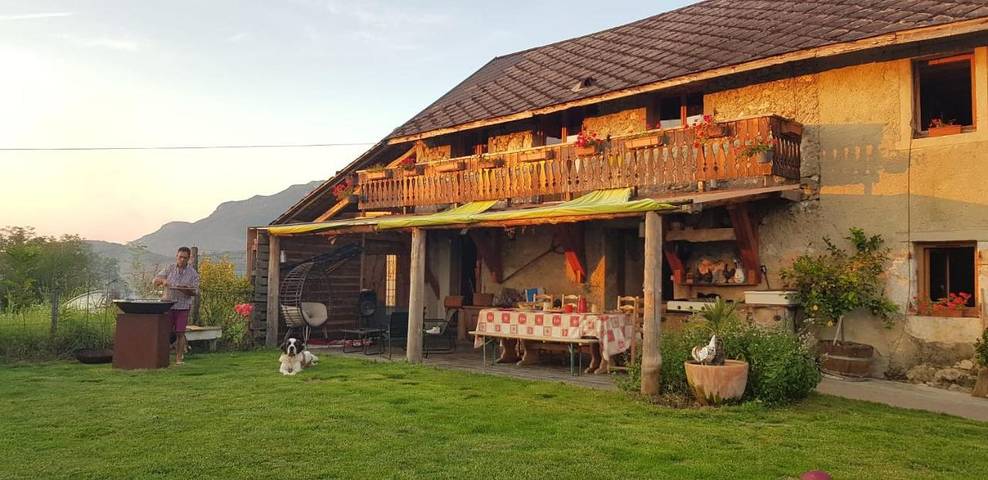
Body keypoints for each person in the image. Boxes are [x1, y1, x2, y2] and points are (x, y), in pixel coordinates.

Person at [153, 246, 200, 365]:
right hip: (168, 305)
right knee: (165, 331)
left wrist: (185, 290)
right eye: (180, 257)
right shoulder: (169, 268)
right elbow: (155, 280)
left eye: (185, 258)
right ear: (176, 257)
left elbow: (195, 292)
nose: (182, 260)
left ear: (189, 258)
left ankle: (179, 358)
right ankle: (162, 356)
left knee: (180, 333)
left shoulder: (193, 273)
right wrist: (163, 281)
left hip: (183, 306)